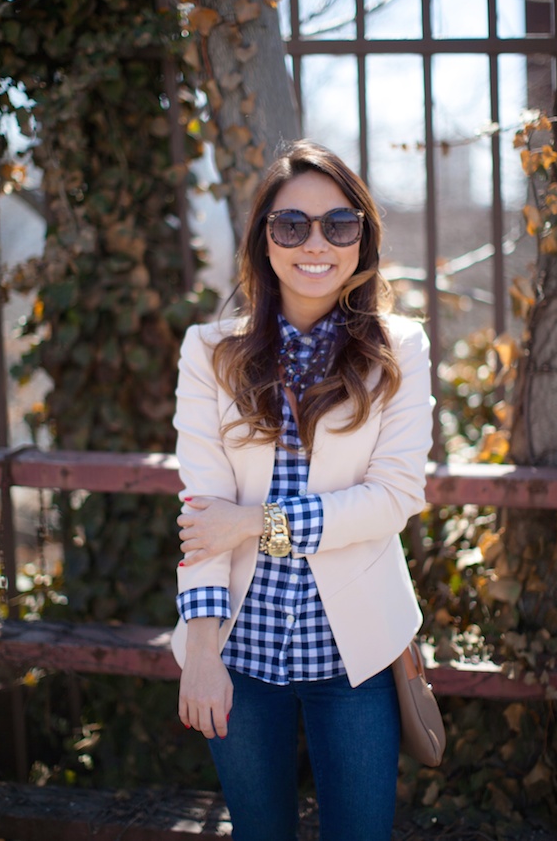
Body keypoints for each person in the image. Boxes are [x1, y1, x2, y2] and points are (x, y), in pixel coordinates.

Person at [170, 139, 433, 841]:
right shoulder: (210, 352)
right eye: (291, 225)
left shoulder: (399, 349)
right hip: (239, 651)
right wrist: (200, 652)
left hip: (355, 655)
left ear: (362, 237)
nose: (315, 243)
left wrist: (258, 523)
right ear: (264, 240)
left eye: (337, 224)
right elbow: (203, 510)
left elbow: (394, 497)